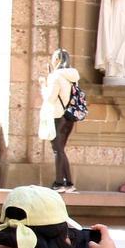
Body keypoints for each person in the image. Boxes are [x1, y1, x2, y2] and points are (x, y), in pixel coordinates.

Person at [38, 49, 80, 192]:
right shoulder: (72, 76)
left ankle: (58, 182)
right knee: (61, 149)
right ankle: (68, 183)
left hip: (57, 116)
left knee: (57, 150)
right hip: (69, 117)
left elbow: (50, 98)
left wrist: (43, 85)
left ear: (57, 60)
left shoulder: (55, 76)